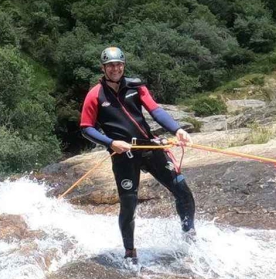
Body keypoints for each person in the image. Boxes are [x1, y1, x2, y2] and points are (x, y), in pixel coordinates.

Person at [78, 45, 196, 264]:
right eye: (111, 65)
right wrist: (111, 143)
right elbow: (86, 127)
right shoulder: (95, 95)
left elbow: (155, 110)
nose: (115, 69)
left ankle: (190, 238)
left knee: (182, 191)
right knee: (129, 205)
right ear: (103, 68)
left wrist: (177, 129)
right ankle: (130, 252)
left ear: (124, 65)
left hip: (148, 147)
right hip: (123, 154)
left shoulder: (136, 86)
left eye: (119, 64)